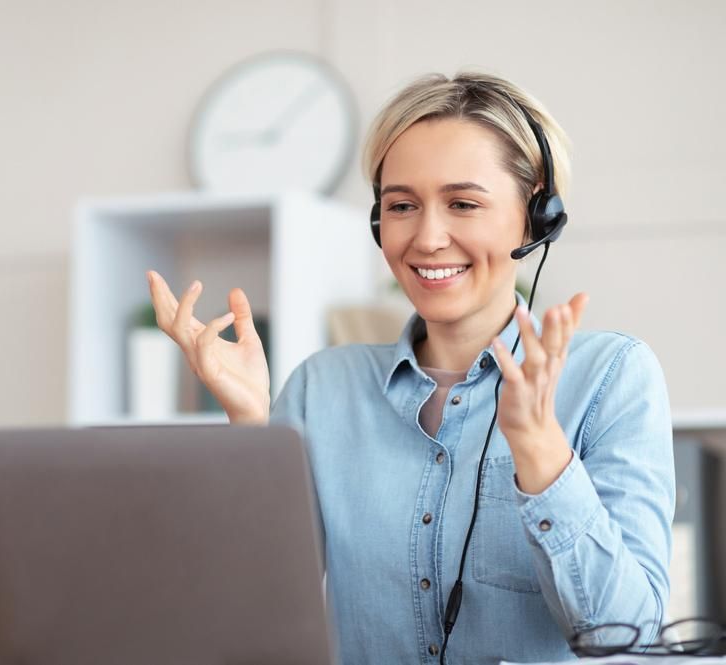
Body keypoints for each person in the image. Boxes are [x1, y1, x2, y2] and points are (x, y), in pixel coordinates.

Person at [146, 70, 675, 665]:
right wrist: (248, 428)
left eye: (463, 203)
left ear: (537, 216)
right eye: (402, 205)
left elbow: (627, 640)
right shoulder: (323, 388)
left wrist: (540, 455)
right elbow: (251, 615)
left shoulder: (611, 377)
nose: (426, 238)